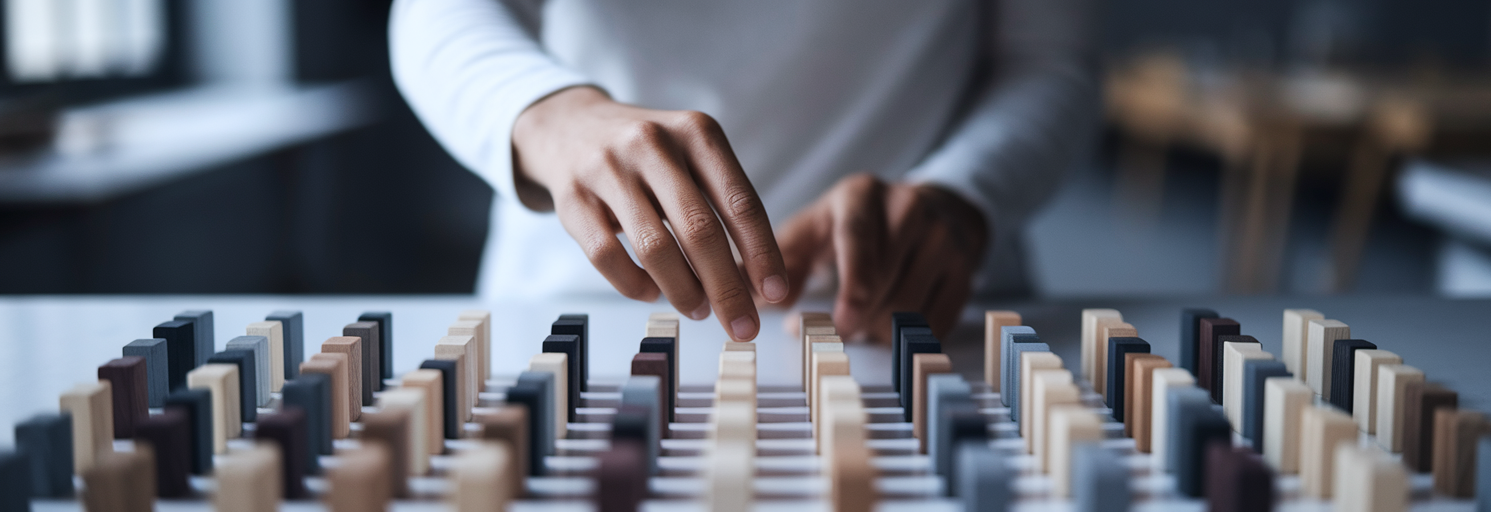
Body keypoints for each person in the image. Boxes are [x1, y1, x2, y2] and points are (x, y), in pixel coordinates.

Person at [390, 0, 1099, 342]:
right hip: (578, 301)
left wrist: (963, 189)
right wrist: (550, 115)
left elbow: (1048, 57)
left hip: (928, 309)